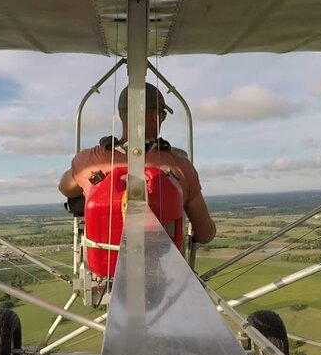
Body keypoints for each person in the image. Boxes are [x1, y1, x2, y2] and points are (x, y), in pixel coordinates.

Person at [59, 83, 216, 244]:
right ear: (154, 115)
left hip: (105, 260)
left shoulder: (88, 162)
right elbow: (205, 234)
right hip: (164, 260)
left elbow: (65, 188)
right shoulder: (180, 166)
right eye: (162, 115)